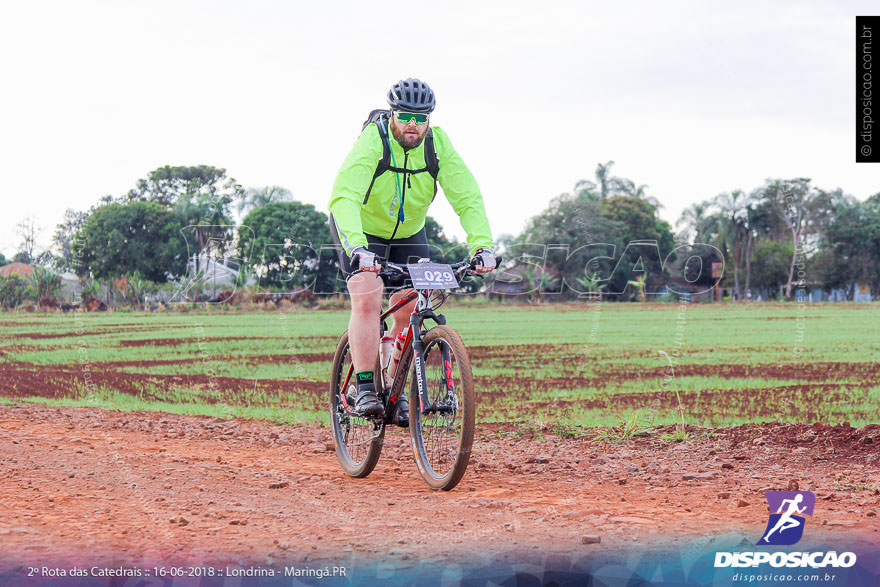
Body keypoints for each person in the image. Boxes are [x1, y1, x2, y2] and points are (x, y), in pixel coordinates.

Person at [329, 77, 496, 425]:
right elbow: (345, 195)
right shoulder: (374, 140)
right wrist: (358, 248)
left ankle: (394, 380)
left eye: (421, 118)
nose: (412, 125)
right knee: (367, 297)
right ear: (392, 114)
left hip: (409, 232)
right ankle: (363, 387)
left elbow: (466, 196)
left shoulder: (437, 145)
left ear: (429, 119)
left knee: (409, 304)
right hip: (361, 231)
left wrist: (482, 245)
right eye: (405, 116)